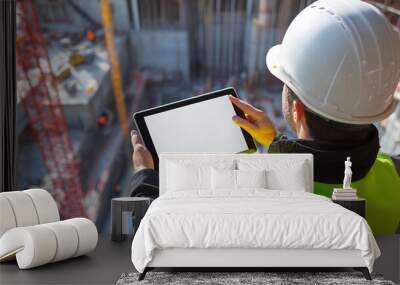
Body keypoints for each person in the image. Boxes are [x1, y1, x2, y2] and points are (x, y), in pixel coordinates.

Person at [129, 0, 400, 234]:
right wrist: (275, 143)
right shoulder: (394, 174)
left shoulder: (252, 196)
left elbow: (151, 237)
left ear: (297, 110)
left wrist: (144, 177)